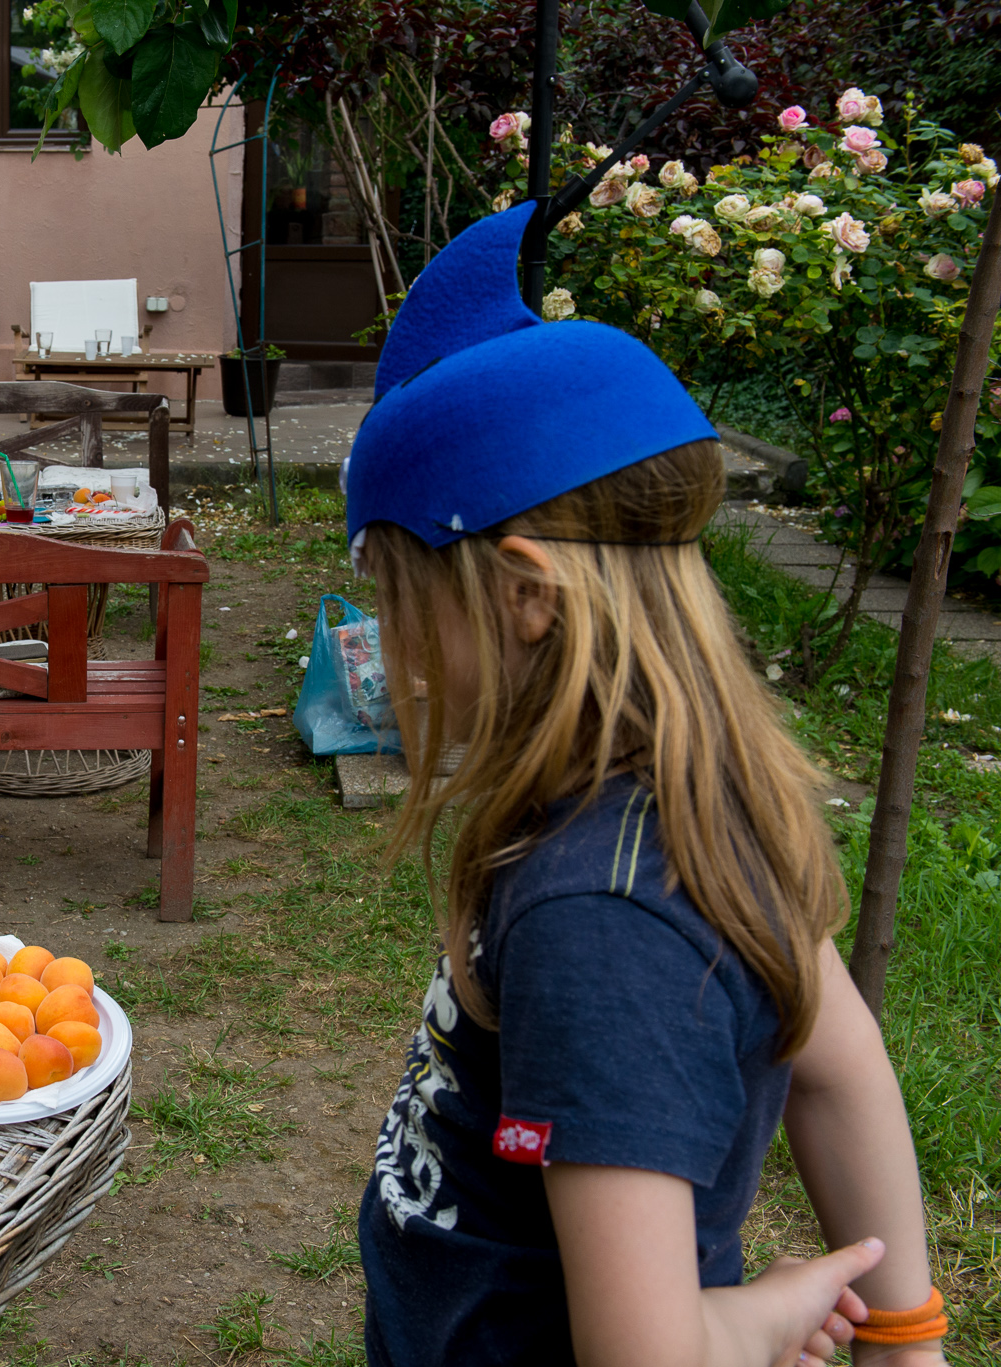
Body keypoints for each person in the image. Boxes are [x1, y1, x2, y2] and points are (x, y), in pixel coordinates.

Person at [345, 204, 947, 1367]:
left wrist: (763, 1317)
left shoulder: (599, 914)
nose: (390, 639)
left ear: (524, 594)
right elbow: (841, 1065)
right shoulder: (691, 796)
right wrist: (907, 1332)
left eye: (398, 594)